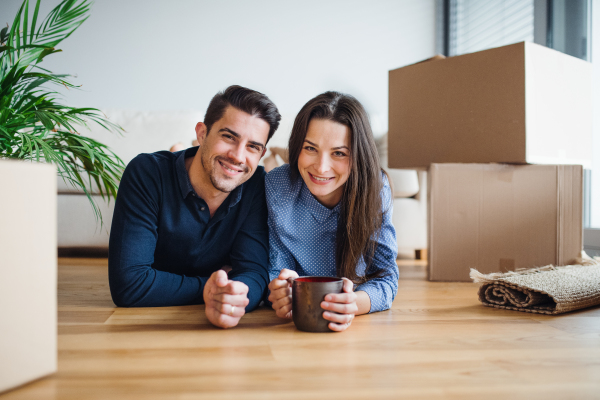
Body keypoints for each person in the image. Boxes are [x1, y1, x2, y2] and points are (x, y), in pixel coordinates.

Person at [109, 85, 281, 329]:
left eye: (253, 146)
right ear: (202, 133)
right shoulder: (145, 173)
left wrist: (233, 293)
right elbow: (130, 284)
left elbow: (253, 275)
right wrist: (210, 288)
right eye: (229, 137)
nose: (238, 156)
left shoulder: (255, 185)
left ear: (262, 153)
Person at [266, 91, 399, 332]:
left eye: (338, 153)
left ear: (358, 156)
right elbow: (276, 266)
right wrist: (278, 290)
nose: (321, 166)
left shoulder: (375, 189)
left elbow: (387, 278)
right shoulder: (277, 185)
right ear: (297, 147)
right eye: (310, 148)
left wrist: (354, 304)